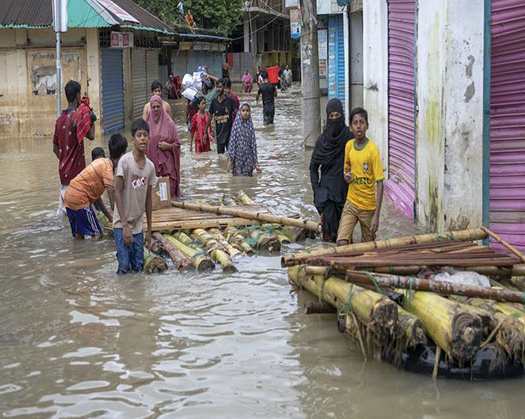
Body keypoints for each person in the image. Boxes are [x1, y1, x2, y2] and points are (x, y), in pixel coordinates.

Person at [63, 134, 128, 239]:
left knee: (79, 236)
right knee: (98, 235)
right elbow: (113, 204)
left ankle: (78, 255)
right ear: (123, 155)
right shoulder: (108, 172)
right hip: (80, 200)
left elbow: (97, 198)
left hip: (69, 197)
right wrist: (122, 223)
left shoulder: (102, 162)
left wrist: (109, 217)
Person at [113, 119, 156, 274]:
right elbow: (116, 191)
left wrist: (149, 230)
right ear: (133, 139)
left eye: (145, 135)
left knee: (138, 267)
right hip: (121, 223)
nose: (143, 138)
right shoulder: (125, 162)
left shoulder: (150, 167)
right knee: (124, 267)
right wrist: (124, 226)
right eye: (139, 135)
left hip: (138, 226)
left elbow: (148, 199)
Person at [336, 107, 384, 245]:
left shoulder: (372, 150)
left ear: (367, 125)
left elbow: (380, 183)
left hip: (368, 208)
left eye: (361, 122)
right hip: (351, 203)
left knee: (367, 249)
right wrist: (346, 176)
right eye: (355, 123)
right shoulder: (349, 146)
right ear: (350, 127)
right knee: (341, 242)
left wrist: (377, 216)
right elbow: (346, 171)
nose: (358, 126)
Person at [309, 99, 353, 242]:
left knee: (345, 235)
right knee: (328, 237)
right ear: (327, 117)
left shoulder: (349, 138)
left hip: (345, 192)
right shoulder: (322, 141)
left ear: (342, 116)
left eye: (337, 115)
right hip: (327, 194)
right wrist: (317, 190)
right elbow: (313, 168)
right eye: (331, 116)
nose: (334, 119)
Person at [53, 80, 95, 216]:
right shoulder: (78, 117)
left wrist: (66, 159)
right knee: (82, 218)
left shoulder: (59, 120)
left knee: (64, 217)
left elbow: (55, 148)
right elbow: (92, 136)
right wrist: (92, 118)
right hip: (77, 177)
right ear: (77, 96)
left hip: (63, 175)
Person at [146, 95, 181, 198]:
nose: (156, 109)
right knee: (156, 198)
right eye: (153, 107)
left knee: (169, 196)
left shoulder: (170, 124)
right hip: (152, 168)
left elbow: (178, 144)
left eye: (158, 106)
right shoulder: (146, 126)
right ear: (150, 108)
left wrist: (169, 146)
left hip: (168, 168)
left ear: (162, 106)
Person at [228, 103, 260, 177]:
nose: (245, 112)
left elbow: (253, 144)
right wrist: (230, 159)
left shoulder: (250, 126)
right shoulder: (236, 125)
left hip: (248, 158)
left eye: (247, 111)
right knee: (238, 180)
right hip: (237, 158)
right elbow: (232, 142)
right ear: (240, 112)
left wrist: (256, 162)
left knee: (247, 180)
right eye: (243, 110)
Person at [206, 79, 235, 154]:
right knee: (220, 158)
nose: (218, 89)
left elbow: (236, 116)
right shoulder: (214, 102)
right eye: (217, 87)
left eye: (220, 87)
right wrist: (206, 131)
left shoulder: (230, 101)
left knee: (230, 156)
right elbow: (210, 117)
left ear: (224, 87)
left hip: (230, 135)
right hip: (219, 135)